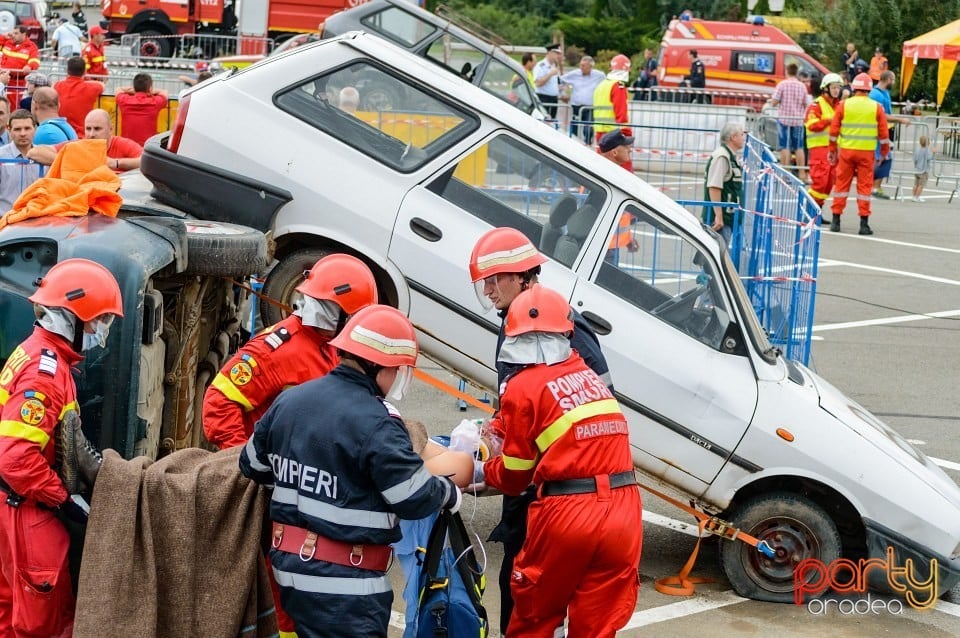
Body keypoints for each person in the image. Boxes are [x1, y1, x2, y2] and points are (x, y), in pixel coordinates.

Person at [239, 304, 463, 638]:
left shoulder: (290, 403)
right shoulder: (377, 423)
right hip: (347, 585)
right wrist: (449, 494)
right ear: (377, 366)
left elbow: (251, 464)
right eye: (397, 370)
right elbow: (413, 496)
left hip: (291, 572)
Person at [472, 284, 641, 638]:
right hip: (625, 510)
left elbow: (516, 476)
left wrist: (483, 469)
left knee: (535, 617)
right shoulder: (588, 377)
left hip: (570, 512)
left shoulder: (522, 385)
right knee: (597, 626)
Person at [0, 258, 123, 637]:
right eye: (98, 320)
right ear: (71, 317)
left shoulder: (38, 353)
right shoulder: (45, 374)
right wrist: (63, 500)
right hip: (29, 514)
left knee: (10, 612)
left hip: (15, 508)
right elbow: (16, 458)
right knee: (42, 625)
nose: (101, 331)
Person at [828, 72, 889, 235]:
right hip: (866, 154)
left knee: (841, 186)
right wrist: (884, 153)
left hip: (846, 152)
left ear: (854, 88)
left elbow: (833, 131)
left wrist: (832, 149)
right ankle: (863, 224)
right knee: (864, 188)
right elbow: (883, 135)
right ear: (869, 89)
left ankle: (836, 221)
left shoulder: (843, 105)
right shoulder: (876, 107)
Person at [702, 122, 745, 248]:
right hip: (720, 220)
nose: (744, 138)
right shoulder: (722, 157)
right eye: (741, 134)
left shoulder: (730, 156)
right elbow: (714, 187)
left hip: (727, 218)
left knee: (719, 255)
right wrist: (718, 216)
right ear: (733, 137)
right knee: (717, 257)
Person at [804, 72, 844, 208]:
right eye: (833, 87)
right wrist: (829, 121)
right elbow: (811, 124)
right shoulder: (816, 105)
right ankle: (809, 211)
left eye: (838, 88)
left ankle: (817, 209)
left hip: (833, 149)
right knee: (820, 181)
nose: (836, 90)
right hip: (818, 148)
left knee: (828, 182)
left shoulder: (838, 106)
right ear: (825, 88)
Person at [868, 70, 909, 199]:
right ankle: (874, 187)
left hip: (883, 132)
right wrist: (900, 120)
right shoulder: (875, 94)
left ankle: (875, 187)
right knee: (883, 159)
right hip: (875, 133)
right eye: (894, 80)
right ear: (888, 79)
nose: (894, 82)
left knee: (884, 158)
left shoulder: (885, 93)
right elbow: (881, 114)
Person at [769, 63, 809, 182]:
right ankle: (802, 173)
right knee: (799, 147)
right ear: (796, 72)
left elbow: (774, 102)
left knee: (784, 146)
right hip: (798, 120)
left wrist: (775, 101)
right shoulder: (802, 86)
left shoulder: (782, 85)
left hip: (784, 119)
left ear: (787, 71)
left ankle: (786, 173)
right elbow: (806, 103)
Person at [592, 54, 632, 167]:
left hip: (601, 134)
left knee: (601, 168)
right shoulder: (618, 86)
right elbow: (621, 115)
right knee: (623, 171)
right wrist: (627, 134)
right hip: (615, 136)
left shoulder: (602, 85)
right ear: (627, 69)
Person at [0, 109, 41, 211]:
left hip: (35, 219)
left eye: (27, 128)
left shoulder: (43, 157)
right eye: (17, 129)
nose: (23, 133)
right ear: (9, 130)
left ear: (35, 128)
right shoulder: (1, 155)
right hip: (4, 220)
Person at [54, 57, 104, 137]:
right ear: (85, 71)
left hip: (61, 136)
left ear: (67, 70)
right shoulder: (91, 88)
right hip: (82, 138)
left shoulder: (58, 86)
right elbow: (102, 85)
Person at [560, 55, 604, 144]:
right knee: (574, 128)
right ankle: (573, 145)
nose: (581, 67)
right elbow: (560, 81)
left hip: (589, 107)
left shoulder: (599, 75)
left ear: (590, 66)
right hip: (576, 106)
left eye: (584, 66)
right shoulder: (575, 74)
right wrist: (563, 94)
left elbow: (605, 86)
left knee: (588, 129)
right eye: (580, 65)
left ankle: (587, 145)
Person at [115, 73, 168, 146]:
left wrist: (133, 90)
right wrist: (150, 91)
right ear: (150, 88)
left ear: (134, 87)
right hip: (148, 146)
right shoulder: (155, 102)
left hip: (127, 145)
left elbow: (118, 89)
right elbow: (164, 92)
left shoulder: (124, 100)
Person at [0, 26, 40, 108]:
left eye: (16, 33)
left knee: (13, 105)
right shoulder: (7, 42)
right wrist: (4, 37)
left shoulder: (31, 47)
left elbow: (35, 60)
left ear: (24, 34)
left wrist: (29, 66)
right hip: (2, 78)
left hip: (17, 81)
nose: (13, 35)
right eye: (13, 32)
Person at [533, 43, 562, 119]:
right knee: (543, 121)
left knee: (552, 122)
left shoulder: (554, 66)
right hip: (543, 98)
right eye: (557, 53)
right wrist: (550, 74)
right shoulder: (541, 66)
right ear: (550, 53)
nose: (558, 56)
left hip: (554, 99)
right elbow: (538, 83)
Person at [912, 135, 934, 202]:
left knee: (916, 184)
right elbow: (929, 158)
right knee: (921, 185)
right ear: (928, 143)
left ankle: (913, 196)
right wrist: (933, 152)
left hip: (917, 169)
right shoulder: (927, 151)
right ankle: (917, 197)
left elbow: (915, 159)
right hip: (924, 170)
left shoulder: (917, 149)